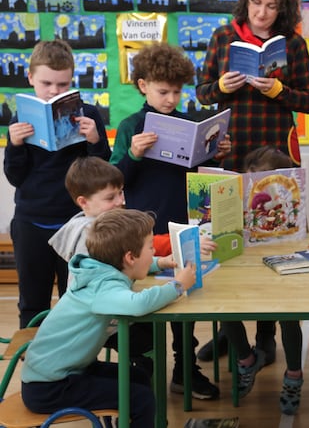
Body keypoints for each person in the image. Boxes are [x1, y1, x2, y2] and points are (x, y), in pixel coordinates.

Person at [111, 42, 230, 401]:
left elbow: (200, 175)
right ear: (143, 85)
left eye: (177, 92)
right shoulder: (131, 126)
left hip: (184, 223)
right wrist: (133, 152)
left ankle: (185, 369)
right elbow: (116, 179)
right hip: (144, 230)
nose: (170, 99)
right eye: (163, 91)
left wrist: (216, 153)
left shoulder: (190, 122)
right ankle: (144, 370)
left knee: (186, 299)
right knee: (146, 302)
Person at [21, 208, 195, 428]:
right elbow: (139, 304)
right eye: (151, 248)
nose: (154, 252)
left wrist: (159, 263)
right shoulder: (104, 287)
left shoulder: (100, 269)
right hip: (50, 387)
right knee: (140, 399)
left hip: (62, 373)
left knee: (138, 378)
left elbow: (130, 267)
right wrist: (177, 286)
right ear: (130, 257)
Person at [3, 39, 111, 328]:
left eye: (62, 85)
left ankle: (71, 364)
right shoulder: (20, 118)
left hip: (75, 222)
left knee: (74, 299)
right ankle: (34, 367)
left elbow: (103, 172)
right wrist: (14, 145)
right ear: (30, 79)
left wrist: (95, 142)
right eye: (46, 83)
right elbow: (15, 177)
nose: (54, 91)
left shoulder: (88, 115)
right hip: (31, 221)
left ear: (72, 81)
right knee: (32, 301)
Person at [213, 146, 306, 414]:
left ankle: (294, 375)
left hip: (282, 264)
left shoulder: (290, 195)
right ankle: (246, 359)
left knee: (289, 316)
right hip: (245, 264)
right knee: (224, 307)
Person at [196, 0, 309, 170]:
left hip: (275, 145)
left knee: (276, 201)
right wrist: (221, 87)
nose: (261, 13)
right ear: (246, 0)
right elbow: (202, 94)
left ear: (282, 9)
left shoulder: (293, 43)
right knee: (230, 201)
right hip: (232, 143)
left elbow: (308, 103)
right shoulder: (222, 37)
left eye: (271, 6)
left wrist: (279, 91)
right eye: (256, 2)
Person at [47, 156, 155, 375]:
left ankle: (135, 376)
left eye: (120, 193)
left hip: (96, 315)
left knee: (145, 323)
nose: (120, 201)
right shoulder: (93, 237)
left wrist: (158, 262)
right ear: (83, 202)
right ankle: (138, 380)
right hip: (97, 323)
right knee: (148, 333)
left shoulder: (93, 226)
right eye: (110, 198)